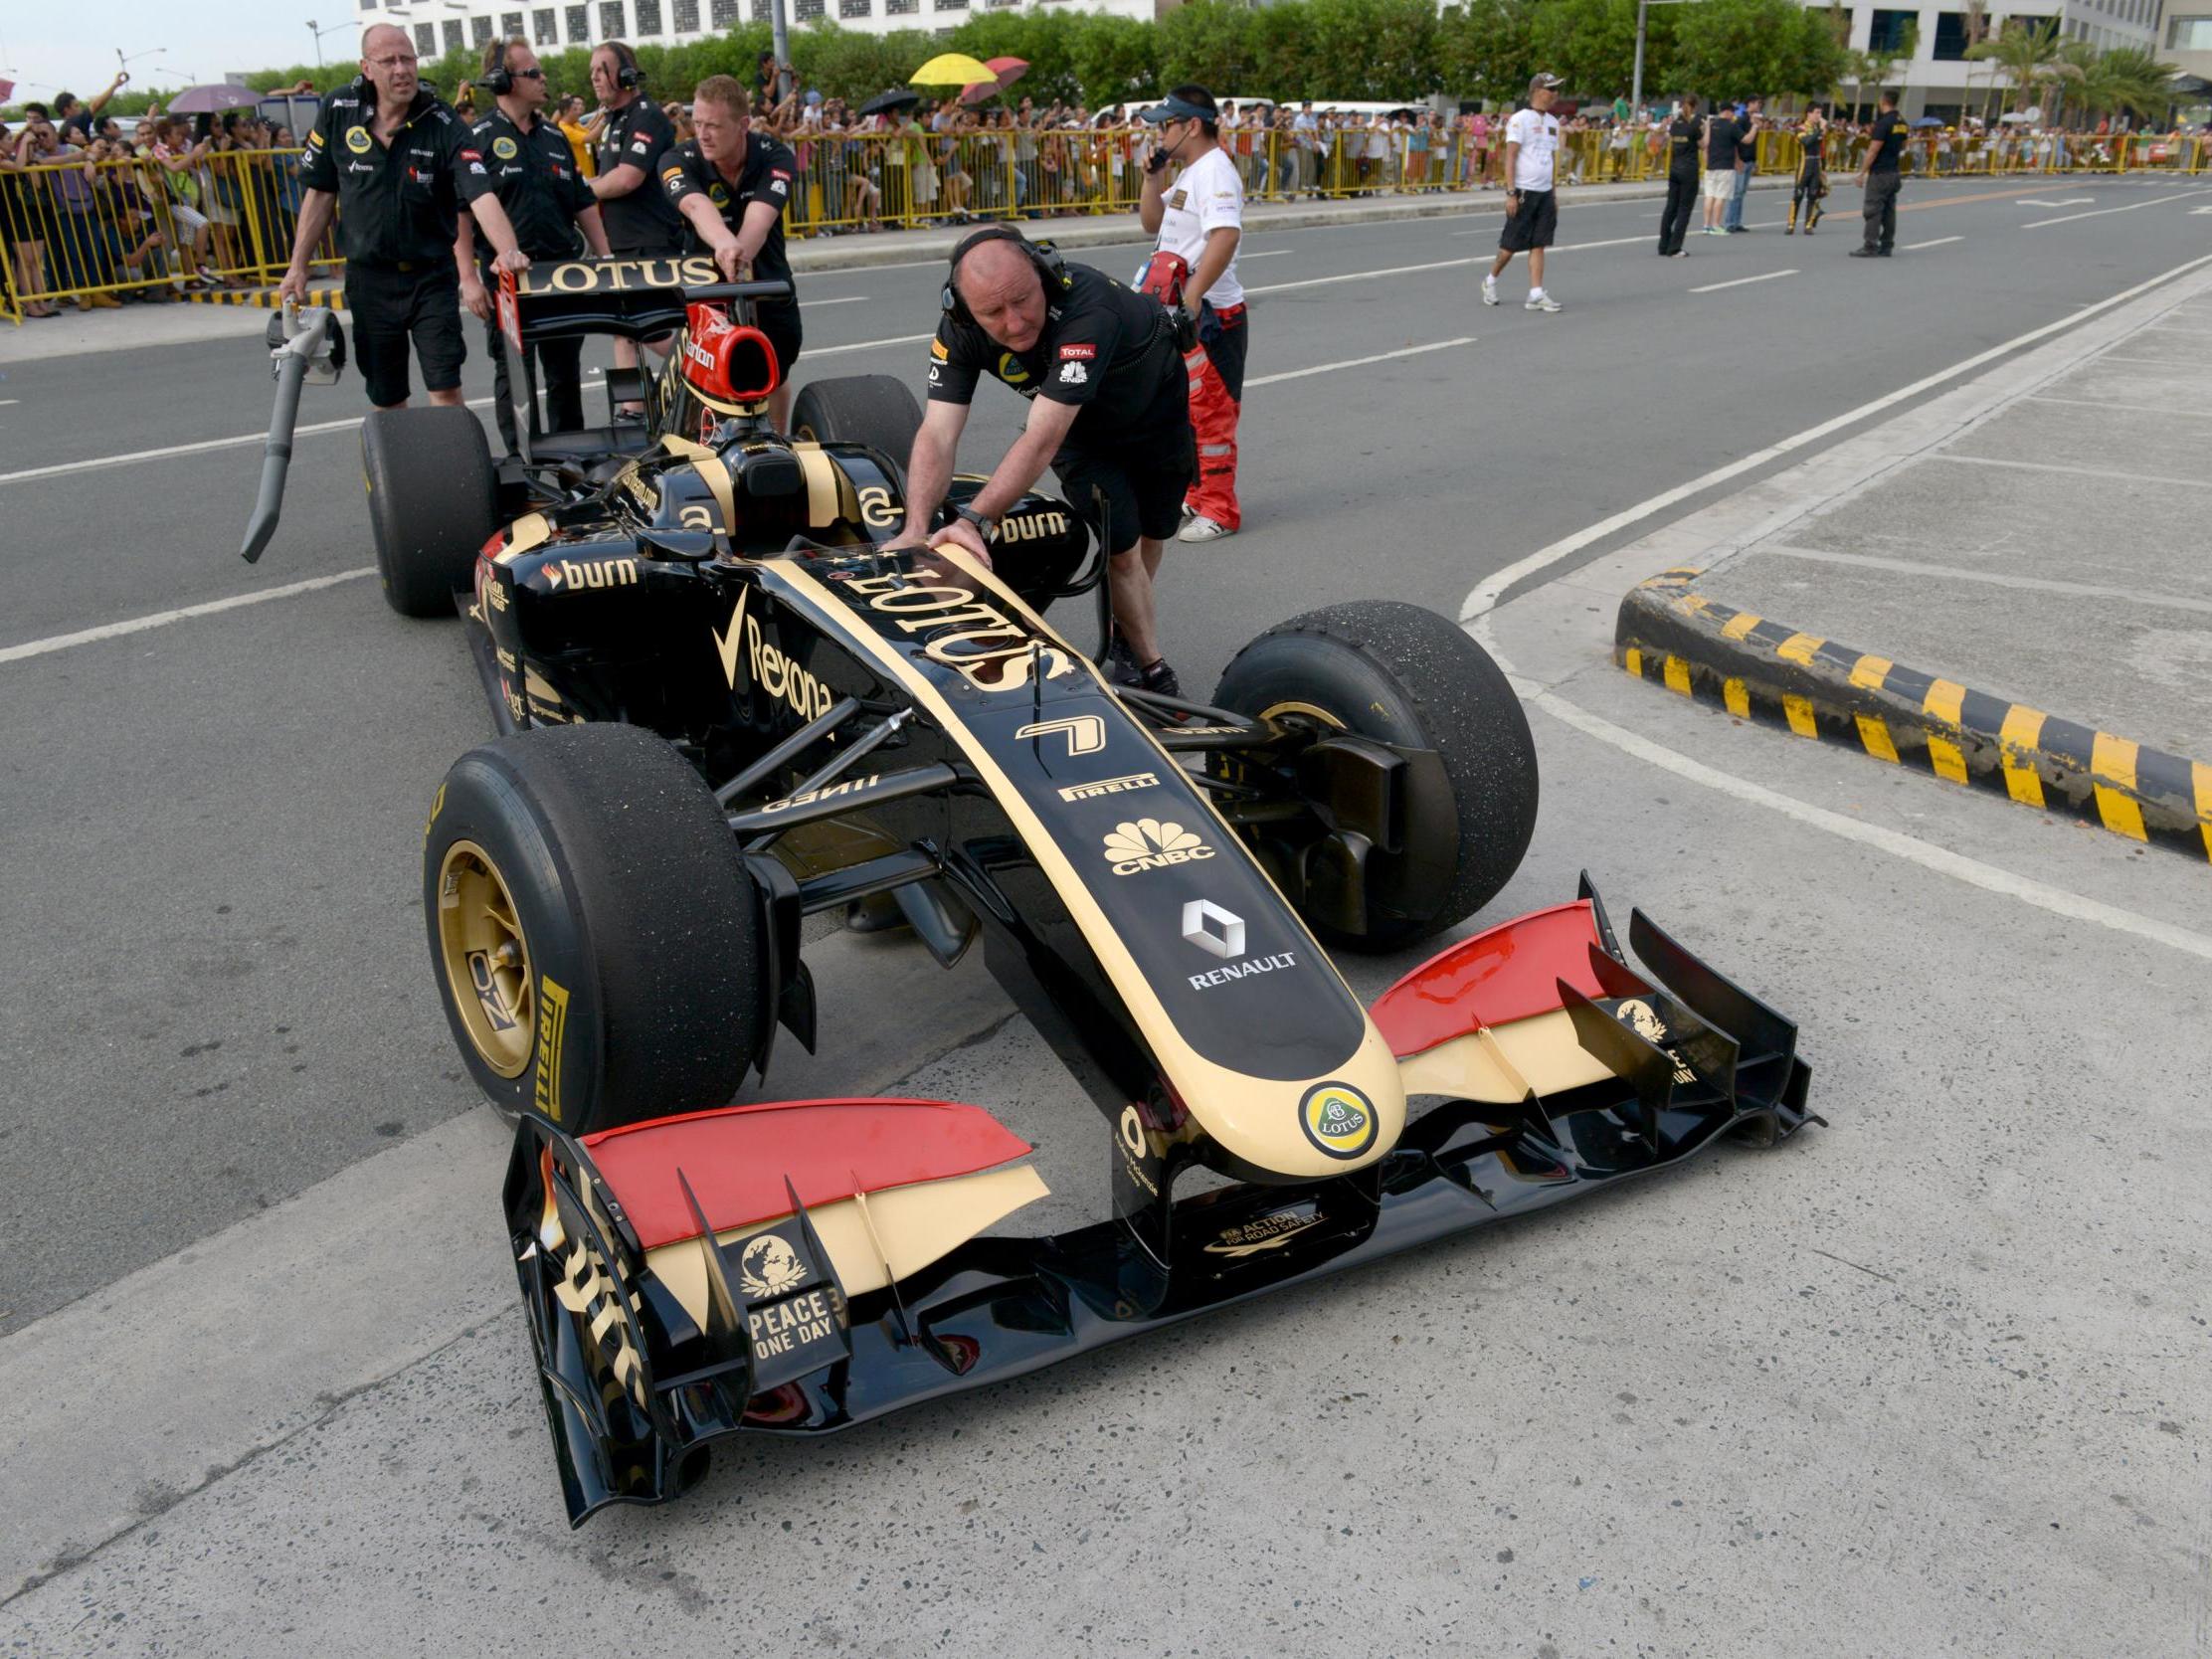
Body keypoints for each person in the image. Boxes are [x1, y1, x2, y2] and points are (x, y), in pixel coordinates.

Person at [893, 229, 1194, 694]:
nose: (1014, 323)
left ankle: (1124, 631)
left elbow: (1041, 435)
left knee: (1155, 531)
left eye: (1022, 300)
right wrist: (916, 528)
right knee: (1123, 547)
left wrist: (973, 519)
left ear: (1045, 276)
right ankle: (1149, 664)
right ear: (962, 308)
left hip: (1156, 415)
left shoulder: (1088, 307)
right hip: (1080, 435)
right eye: (993, 312)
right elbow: (938, 430)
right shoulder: (959, 328)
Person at [279, 25, 532, 411]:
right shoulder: (337, 110)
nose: (401, 70)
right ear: (367, 67)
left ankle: (451, 470)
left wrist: (508, 250)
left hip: (430, 277)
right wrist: (298, 267)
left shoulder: (442, 120)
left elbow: (480, 192)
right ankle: (399, 470)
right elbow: (320, 193)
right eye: (389, 61)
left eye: (408, 59)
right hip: (369, 279)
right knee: (387, 395)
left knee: (445, 387)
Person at [456, 36, 610, 454]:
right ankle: (524, 464)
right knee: (514, 376)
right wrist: (468, 279)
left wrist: (606, 258)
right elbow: (461, 215)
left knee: (565, 375)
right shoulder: (477, 139)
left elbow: (583, 203)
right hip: (507, 282)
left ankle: (571, 460)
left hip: (561, 276)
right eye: (533, 73)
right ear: (503, 81)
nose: (544, 79)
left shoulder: (555, 138)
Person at [659, 76, 803, 432]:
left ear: (742, 125)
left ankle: (778, 443)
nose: (703, 134)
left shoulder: (776, 155)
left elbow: (761, 217)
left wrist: (737, 253)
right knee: (709, 379)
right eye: (698, 124)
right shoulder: (678, 158)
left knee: (775, 373)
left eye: (713, 126)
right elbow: (695, 205)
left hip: (768, 282)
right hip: (706, 289)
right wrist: (724, 243)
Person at [1137, 85, 1245, 543]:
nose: (1160, 135)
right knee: (1183, 410)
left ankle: (1220, 509)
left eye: (1166, 126)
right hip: (1180, 311)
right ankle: (1198, 493)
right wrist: (1151, 177)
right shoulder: (1189, 173)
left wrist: (1194, 296)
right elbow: (1151, 225)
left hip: (1209, 315)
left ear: (1192, 126)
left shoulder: (1215, 171)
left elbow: (1225, 235)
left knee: (1212, 415)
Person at [587, 41, 685, 418]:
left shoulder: (647, 116)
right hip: (623, 242)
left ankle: (705, 367)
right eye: (593, 70)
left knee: (651, 328)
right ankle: (632, 410)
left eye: (602, 69)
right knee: (623, 327)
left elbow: (627, 179)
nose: (595, 77)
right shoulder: (616, 118)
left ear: (626, 74)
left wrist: (580, 190)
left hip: (649, 241)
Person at [1482, 73, 1564, 313]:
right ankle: (1490, 280)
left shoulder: (1553, 122)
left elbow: (1550, 159)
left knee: (1539, 243)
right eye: (1551, 89)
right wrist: (1510, 193)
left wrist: (1554, 195)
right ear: (1537, 91)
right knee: (1510, 247)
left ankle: (1536, 294)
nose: (1555, 94)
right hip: (1524, 190)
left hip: (1545, 192)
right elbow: (1511, 157)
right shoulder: (1520, 119)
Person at [1851, 91, 1908, 259]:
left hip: (1880, 172)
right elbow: (1904, 144)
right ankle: (1887, 245)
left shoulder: (1884, 123)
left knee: (1873, 210)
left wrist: (1862, 172)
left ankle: (1870, 245)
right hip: (1893, 171)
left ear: (1883, 101)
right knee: (1889, 211)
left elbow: (1873, 149)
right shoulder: (1901, 122)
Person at [1656, 94, 1700, 257]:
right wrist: (1707, 127)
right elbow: (1704, 144)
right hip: (1689, 170)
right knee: (1684, 210)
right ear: (1694, 107)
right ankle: (1674, 247)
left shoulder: (1675, 125)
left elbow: (1665, 141)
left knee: (1670, 208)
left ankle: (1663, 245)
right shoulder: (1693, 126)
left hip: (1674, 169)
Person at [1787, 104, 1828, 235]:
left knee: (1813, 195)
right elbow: (1807, 142)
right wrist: (1820, 130)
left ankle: (1808, 225)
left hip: (1816, 165)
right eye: (1816, 113)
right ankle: (1791, 224)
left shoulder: (1819, 129)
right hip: (1805, 165)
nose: (1819, 116)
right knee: (1798, 195)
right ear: (1809, 114)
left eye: (1820, 113)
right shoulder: (1801, 128)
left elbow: (1822, 149)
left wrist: (1824, 168)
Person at [1700, 100, 1739, 235]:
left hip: (1711, 166)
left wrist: (1706, 161)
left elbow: (1705, 145)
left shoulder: (1711, 125)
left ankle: (1706, 225)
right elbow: (1742, 142)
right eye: (1732, 112)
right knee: (1720, 196)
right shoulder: (1732, 126)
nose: (1733, 114)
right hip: (1725, 166)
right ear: (1727, 111)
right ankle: (1716, 225)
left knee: (1709, 195)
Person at [1724, 99, 1759, 232]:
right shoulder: (1741, 120)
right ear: (1750, 104)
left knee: (1742, 192)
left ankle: (1737, 221)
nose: (1758, 105)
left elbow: (1755, 141)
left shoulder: (1754, 122)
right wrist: (1737, 159)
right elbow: (1736, 141)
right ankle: (1729, 222)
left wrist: (1756, 159)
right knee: (1736, 192)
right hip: (1741, 160)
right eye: (1756, 103)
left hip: (1750, 159)